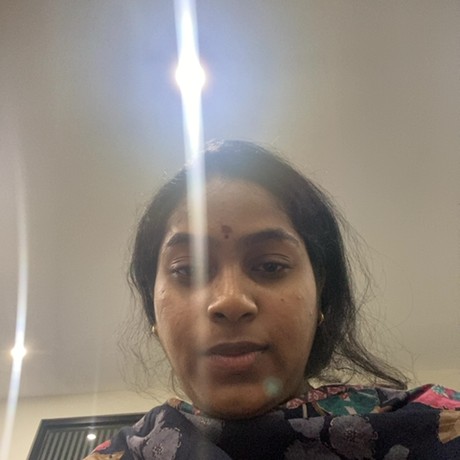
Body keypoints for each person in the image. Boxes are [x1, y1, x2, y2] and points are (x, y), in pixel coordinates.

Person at [85, 140, 459, 459]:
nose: (229, 301)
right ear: (153, 310)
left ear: (322, 297)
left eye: (270, 265)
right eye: (187, 270)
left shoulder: (440, 429)